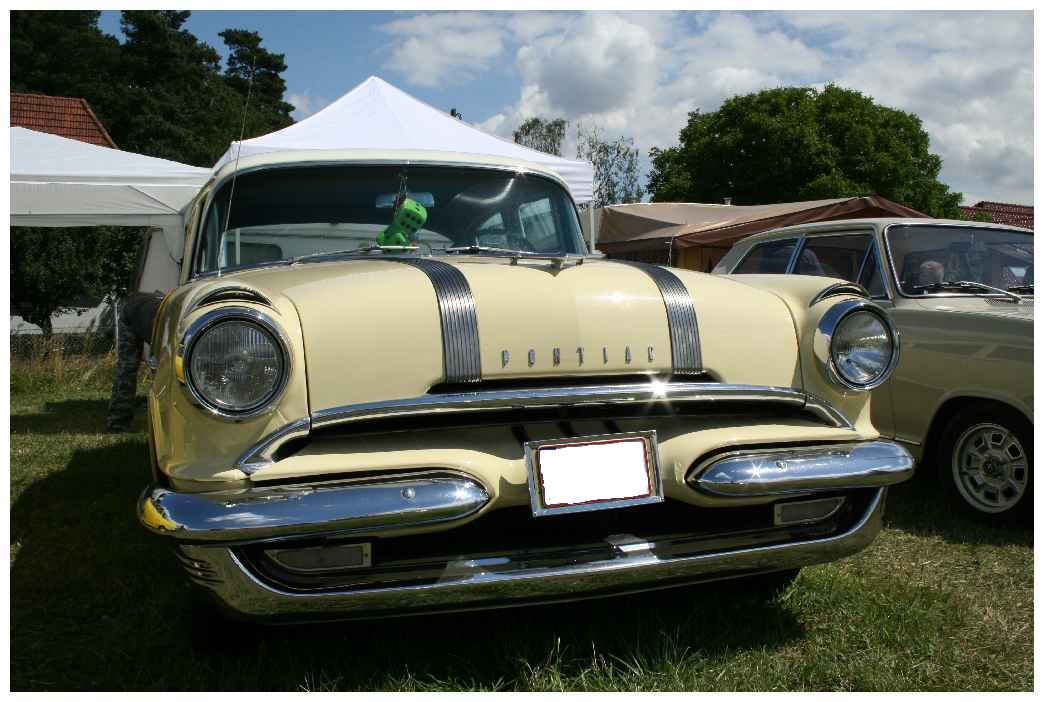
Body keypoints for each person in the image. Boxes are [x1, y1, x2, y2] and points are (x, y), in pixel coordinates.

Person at [106, 291, 165, 432]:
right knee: (127, 368)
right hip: (131, 315)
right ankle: (118, 421)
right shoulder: (163, 322)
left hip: (145, 311)